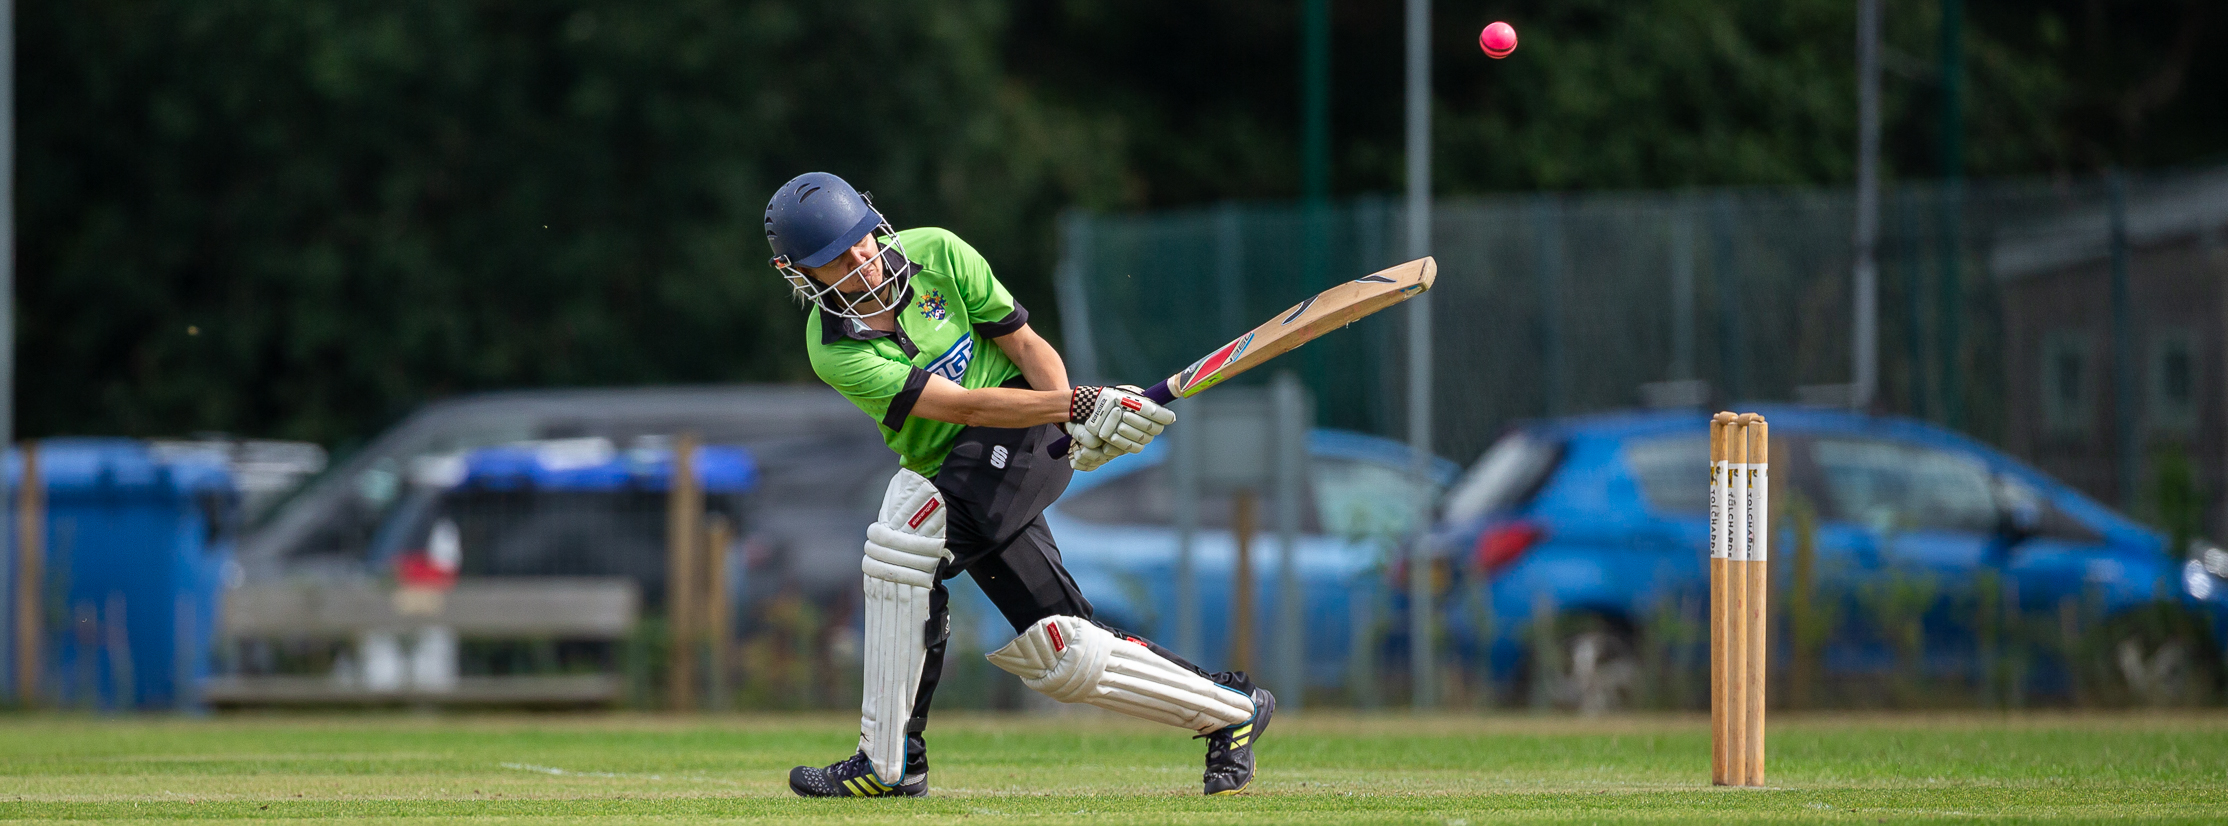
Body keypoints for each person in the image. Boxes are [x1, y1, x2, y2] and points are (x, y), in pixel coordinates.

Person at [765, 172, 1274, 798]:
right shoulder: (833, 349)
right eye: (836, 260)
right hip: (967, 453)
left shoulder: (939, 253)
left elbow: (1027, 346)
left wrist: (1067, 410)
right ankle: (1231, 709)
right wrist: (1078, 404)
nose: (860, 261)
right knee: (1062, 648)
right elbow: (959, 410)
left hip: (1022, 432)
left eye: (861, 241)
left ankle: (891, 764)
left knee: (908, 532)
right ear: (798, 273)